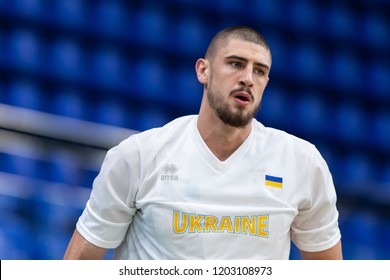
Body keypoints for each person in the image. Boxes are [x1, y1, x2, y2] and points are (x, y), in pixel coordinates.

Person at [64, 26, 343, 260]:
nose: (247, 78)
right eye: (236, 64)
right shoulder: (138, 156)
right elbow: (79, 262)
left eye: (259, 71)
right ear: (203, 71)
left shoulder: (302, 163)